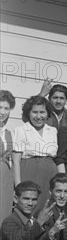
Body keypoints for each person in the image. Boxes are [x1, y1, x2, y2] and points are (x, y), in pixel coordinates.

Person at [12, 95, 58, 209]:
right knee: (29, 206)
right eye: (34, 112)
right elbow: (16, 160)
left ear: (47, 113)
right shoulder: (21, 130)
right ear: (28, 113)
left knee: (47, 207)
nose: (38, 116)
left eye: (42, 112)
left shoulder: (52, 131)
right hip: (29, 172)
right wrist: (18, 186)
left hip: (50, 174)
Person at [0, 90, 16, 224]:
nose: (2, 112)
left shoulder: (8, 133)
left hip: (5, 183)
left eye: (6, 108)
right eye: (0, 107)